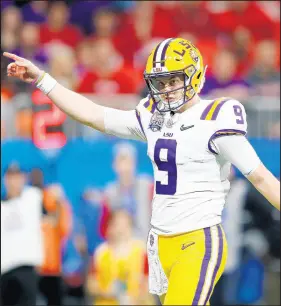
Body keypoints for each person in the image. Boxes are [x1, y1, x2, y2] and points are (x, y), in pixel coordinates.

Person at [3, 37, 280, 305]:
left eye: (174, 80)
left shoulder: (215, 118)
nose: (167, 89)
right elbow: (92, 114)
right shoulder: (152, 116)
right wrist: (43, 79)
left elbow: (260, 176)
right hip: (160, 243)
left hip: (198, 240)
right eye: (160, 82)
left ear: (194, 76)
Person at [86, 208, 153, 305]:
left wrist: (136, 299)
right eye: (117, 225)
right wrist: (106, 292)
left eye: (125, 225)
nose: (121, 229)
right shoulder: (101, 252)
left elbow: (149, 284)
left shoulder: (141, 251)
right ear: (110, 227)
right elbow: (91, 284)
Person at [1, 163, 43, 306]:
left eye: (18, 177)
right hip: (5, 269)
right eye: (10, 177)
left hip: (27, 266)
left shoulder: (33, 197)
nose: (14, 182)